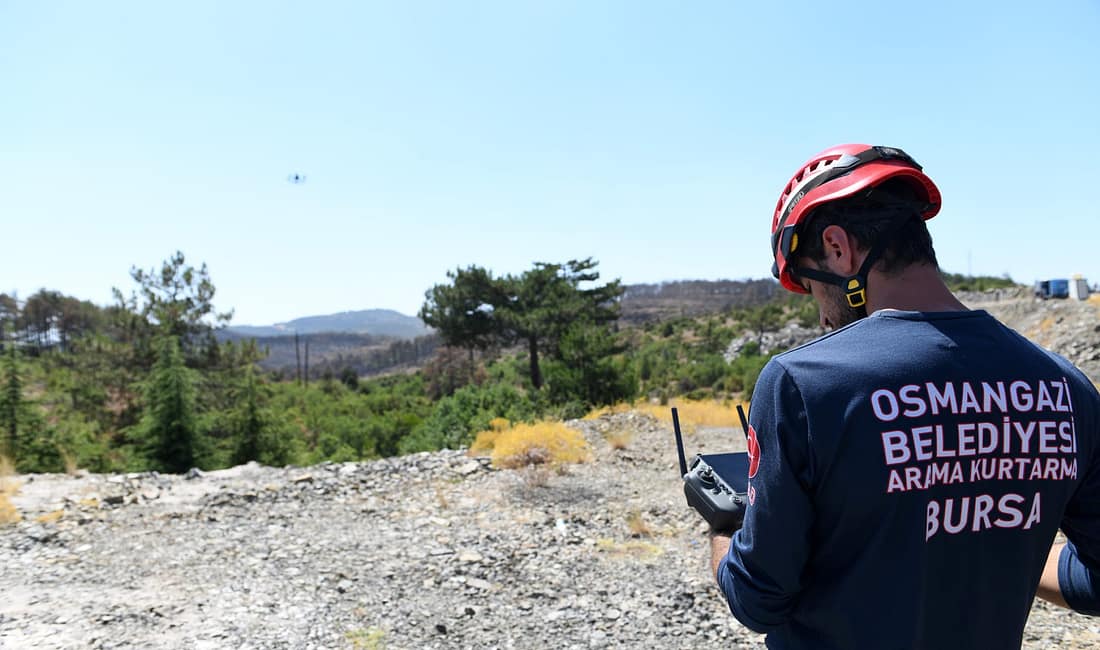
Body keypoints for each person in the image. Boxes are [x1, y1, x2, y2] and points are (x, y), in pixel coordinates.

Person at [707, 144, 1100, 649]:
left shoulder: (802, 382)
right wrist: (999, 533)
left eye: (812, 286)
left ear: (837, 248)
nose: (823, 318)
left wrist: (724, 532)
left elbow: (758, 598)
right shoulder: (1065, 388)